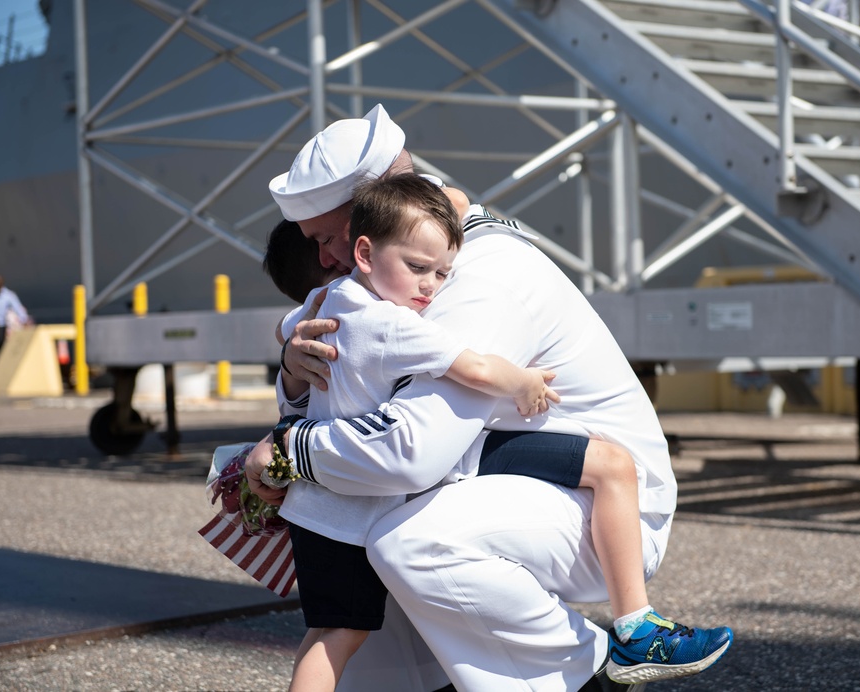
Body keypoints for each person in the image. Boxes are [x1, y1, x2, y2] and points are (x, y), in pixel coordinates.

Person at [247, 104, 733, 690]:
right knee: (359, 555)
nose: (323, 261)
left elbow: (411, 453)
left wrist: (285, 453)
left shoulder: (473, 283)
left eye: (327, 238)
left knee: (412, 543)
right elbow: (359, 408)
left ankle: (591, 670)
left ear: (379, 215)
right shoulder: (413, 272)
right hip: (510, 477)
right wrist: (295, 374)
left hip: (604, 511)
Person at [262, 174, 561, 690]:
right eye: (418, 268)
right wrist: (524, 380)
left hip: (313, 507)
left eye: (444, 274)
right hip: (347, 510)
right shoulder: (391, 325)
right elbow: (476, 370)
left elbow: (287, 326)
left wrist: (289, 348)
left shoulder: (329, 301)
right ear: (365, 253)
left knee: (325, 632)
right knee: (340, 636)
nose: (430, 287)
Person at [0, 274, 31, 367]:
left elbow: (17, 307)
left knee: (0, 350)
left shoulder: (8, 295)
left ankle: (0, 368)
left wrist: (24, 319)